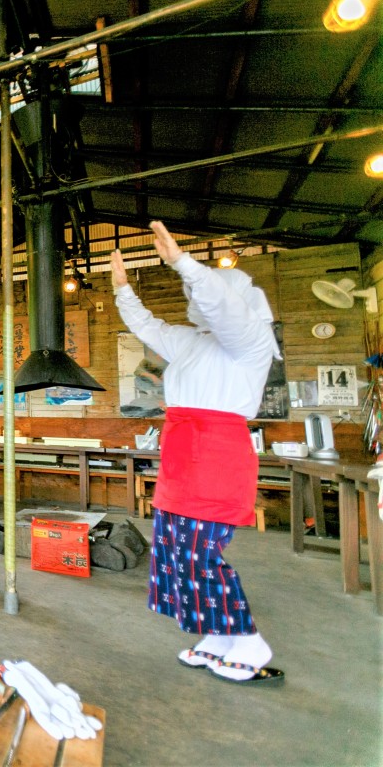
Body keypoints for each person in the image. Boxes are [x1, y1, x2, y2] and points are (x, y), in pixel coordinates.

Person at [112, 220, 283, 685]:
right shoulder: (192, 343)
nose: (198, 304)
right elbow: (146, 326)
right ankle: (215, 634)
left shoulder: (251, 343)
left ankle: (246, 638)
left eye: (201, 293)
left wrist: (184, 264)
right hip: (181, 457)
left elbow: (226, 311)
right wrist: (123, 291)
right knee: (170, 551)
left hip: (217, 459)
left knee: (199, 554)